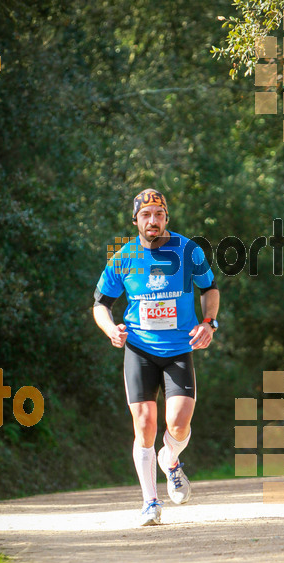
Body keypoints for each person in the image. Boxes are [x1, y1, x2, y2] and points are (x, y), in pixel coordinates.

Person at [93, 189, 220, 525]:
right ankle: (151, 501)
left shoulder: (188, 250)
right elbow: (100, 305)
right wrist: (110, 330)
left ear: (166, 218)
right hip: (140, 350)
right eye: (146, 215)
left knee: (178, 425)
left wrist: (209, 323)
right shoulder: (123, 258)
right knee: (145, 424)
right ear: (135, 219)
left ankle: (170, 459)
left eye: (159, 214)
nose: (153, 221)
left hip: (179, 349)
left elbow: (210, 289)